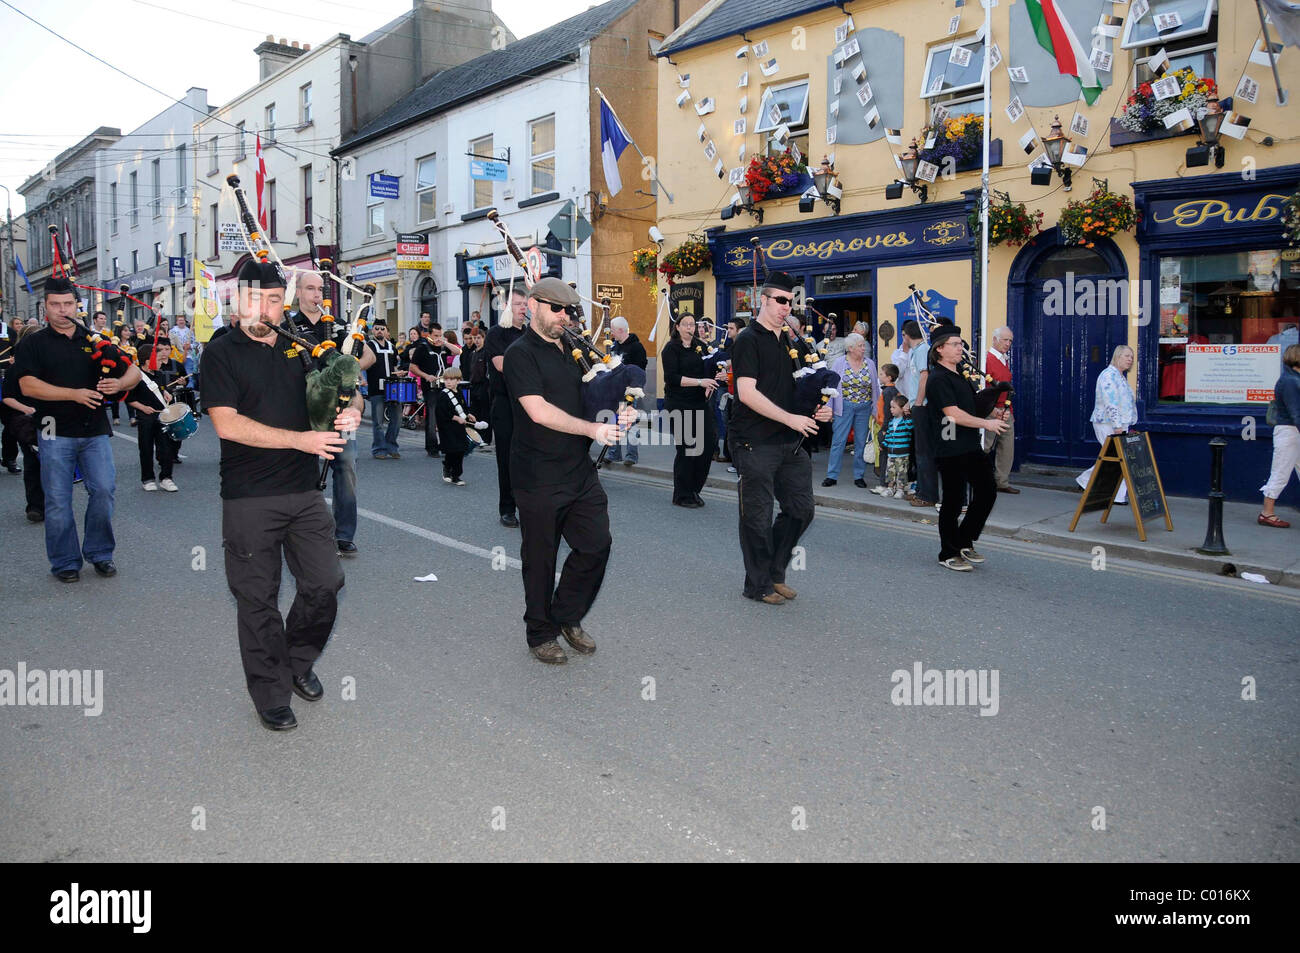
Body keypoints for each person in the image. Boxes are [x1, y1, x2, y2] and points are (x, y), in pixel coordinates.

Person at [199, 259, 359, 732]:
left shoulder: (302, 345)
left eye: (274, 299)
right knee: (257, 599)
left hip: (304, 492)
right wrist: (301, 440)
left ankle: (296, 661)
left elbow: (348, 387)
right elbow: (227, 424)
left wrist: (350, 411)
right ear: (237, 299)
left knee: (325, 584)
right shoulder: (221, 353)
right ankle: (270, 691)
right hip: (249, 497)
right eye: (256, 298)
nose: (266, 309)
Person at [502, 278, 632, 664]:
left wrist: (620, 410)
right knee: (541, 557)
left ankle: (567, 615)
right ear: (532, 306)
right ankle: (540, 632)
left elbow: (600, 393)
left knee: (596, 544)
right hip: (536, 474)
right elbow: (538, 411)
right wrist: (593, 429)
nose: (565, 316)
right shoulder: (519, 354)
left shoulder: (577, 347)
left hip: (578, 470)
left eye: (569, 311)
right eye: (557, 309)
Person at [13, 276, 142, 582]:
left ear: (77, 304)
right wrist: (73, 394)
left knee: (104, 491)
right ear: (45, 307)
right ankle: (65, 562)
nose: (62, 310)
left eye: (68, 303)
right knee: (57, 499)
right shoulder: (34, 343)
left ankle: (99, 553)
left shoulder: (95, 340)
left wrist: (119, 383)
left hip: (94, 429)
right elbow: (27, 385)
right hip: (51, 428)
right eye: (55, 305)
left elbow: (135, 370)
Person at [730, 272, 831, 605]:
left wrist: (819, 410)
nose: (787, 308)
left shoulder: (791, 340)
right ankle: (757, 584)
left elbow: (803, 388)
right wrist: (791, 418)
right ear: (764, 299)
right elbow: (746, 392)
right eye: (781, 301)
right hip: (755, 441)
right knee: (756, 517)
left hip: (790, 441)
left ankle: (774, 572)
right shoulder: (748, 339)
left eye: (791, 302)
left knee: (802, 510)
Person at [291, 270, 374, 557]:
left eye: (319, 290)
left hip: (343, 405)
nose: (316, 295)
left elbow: (369, 356)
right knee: (303, 470)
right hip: (304, 409)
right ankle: (304, 530)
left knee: (347, 468)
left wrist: (349, 371)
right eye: (310, 289)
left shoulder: (338, 326)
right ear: (298, 292)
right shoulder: (290, 326)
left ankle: (343, 536)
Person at [927, 325, 1008, 571]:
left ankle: (964, 539)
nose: (960, 347)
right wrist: (989, 423)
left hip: (968, 444)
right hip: (949, 445)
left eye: (960, 344)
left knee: (987, 490)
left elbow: (970, 405)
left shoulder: (960, 373)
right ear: (939, 349)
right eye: (954, 344)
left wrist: (994, 407)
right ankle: (947, 552)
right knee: (953, 500)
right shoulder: (937, 378)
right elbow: (952, 415)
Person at [660, 315, 722, 507]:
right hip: (678, 403)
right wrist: (699, 382)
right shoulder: (670, 348)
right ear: (677, 327)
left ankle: (694, 489)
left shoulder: (701, 347)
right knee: (687, 449)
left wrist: (715, 376)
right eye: (686, 324)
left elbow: (707, 371)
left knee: (708, 444)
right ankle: (682, 495)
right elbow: (672, 378)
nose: (690, 328)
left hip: (698, 402)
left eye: (692, 324)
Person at [485, 288, 528, 527]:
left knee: (528, 458)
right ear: (506, 307)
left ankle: (529, 505)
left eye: (525, 304)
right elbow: (502, 365)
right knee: (507, 458)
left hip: (529, 404)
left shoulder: (531, 333)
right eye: (518, 304)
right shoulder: (496, 334)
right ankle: (507, 508)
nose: (523, 308)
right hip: (504, 404)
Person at [1076, 345, 1138, 503]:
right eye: (1126, 356)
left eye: (1131, 356)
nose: (1130, 359)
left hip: (1120, 424)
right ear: (1117, 357)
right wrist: (1118, 426)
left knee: (1113, 456)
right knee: (1119, 457)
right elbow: (1111, 402)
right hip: (1107, 423)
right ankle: (1117, 495)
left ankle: (1086, 481)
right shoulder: (1108, 376)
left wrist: (1128, 423)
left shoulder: (1120, 376)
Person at [824, 332, 881, 489]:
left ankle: (859, 476)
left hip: (864, 407)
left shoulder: (870, 363)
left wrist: (876, 409)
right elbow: (832, 386)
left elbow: (875, 388)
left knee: (860, 442)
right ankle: (832, 475)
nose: (864, 348)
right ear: (850, 348)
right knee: (838, 441)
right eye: (860, 346)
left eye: (864, 345)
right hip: (844, 406)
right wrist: (829, 408)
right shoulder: (839, 363)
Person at [1, 326, 43, 520]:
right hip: (25, 422)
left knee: (52, 461)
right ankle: (35, 506)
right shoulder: (16, 368)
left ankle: (54, 502)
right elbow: (7, 397)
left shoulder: (49, 364)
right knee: (32, 461)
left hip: (50, 421)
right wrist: (26, 409)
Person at [129, 341, 180, 492]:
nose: (161, 362)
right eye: (158, 359)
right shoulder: (136, 376)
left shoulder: (159, 374)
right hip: (146, 417)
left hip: (162, 416)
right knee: (146, 448)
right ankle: (148, 479)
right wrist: (143, 408)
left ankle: (166, 478)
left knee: (166, 448)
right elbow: (130, 399)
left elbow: (163, 391)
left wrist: (166, 394)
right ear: (147, 361)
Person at [1258, 343, 1300, 528]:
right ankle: (1267, 513)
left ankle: (1267, 512)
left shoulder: (1292, 378)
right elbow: (1295, 412)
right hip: (1290, 431)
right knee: (1281, 472)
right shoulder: (1290, 381)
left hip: (1292, 430)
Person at [406, 323, 458, 458]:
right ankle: (432, 447)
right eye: (435, 335)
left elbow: (458, 351)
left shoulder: (443, 347)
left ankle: (446, 445)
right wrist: (425, 376)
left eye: (440, 335)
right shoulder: (422, 348)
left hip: (445, 385)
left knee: (447, 415)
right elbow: (412, 367)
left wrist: (445, 342)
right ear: (428, 335)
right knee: (432, 417)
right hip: (430, 387)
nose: (438, 338)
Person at [901, 320, 937, 507]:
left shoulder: (922, 350)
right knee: (919, 451)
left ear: (905, 334)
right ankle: (922, 490)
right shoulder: (916, 351)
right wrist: (910, 401)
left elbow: (924, 376)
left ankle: (927, 495)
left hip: (923, 406)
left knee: (924, 452)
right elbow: (916, 381)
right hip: (917, 403)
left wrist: (918, 403)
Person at [605, 316, 648, 467]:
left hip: (629, 391)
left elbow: (640, 371)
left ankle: (631, 456)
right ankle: (613, 453)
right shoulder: (614, 347)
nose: (611, 334)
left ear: (621, 330)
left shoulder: (637, 348)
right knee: (613, 421)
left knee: (629, 423)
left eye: (613, 331)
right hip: (614, 390)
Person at [364, 319, 404, 459]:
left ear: (386, 331)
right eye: (377, 328)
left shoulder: (392, 347)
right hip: (376, 388)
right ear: (373, 330)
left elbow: (394, 366)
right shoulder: (368, 346)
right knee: (378, 422)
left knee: (397, 419)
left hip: (392, 387)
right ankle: (379, 449)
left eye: (382, 328)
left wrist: (398, 372)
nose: (379, 331)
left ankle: (391, 446)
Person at [986, 326, 1018, 493]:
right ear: (995, 339)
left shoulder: (1004, 359)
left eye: (1010, 340)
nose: (1008, 343)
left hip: (1006, 409)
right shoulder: (987, 359)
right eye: (1005, 340)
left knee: (1006, 447)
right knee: (985, 445)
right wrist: (990, 410)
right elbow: (982, 387)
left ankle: (1001, 482)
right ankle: (978, 479)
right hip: (991, 410)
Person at [434, 366, 477, 485]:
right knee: (452, 450)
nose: (448, 382)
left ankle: (456, 475)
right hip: (447, 427)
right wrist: (455, 417)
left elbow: (462, 407)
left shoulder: (459, 393)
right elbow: (441, 412)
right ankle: (448, 468)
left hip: (459, 427)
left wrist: (468, 414)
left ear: (458, 380)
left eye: (452, 379)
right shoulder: (443, 395)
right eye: (446, 379)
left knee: (460, 450)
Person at [874, 395, 915, 498]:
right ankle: (890, 488)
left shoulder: (906, 421)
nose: (891, 409)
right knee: (890, 472)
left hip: (903, 453)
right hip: (891, 453)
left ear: (902, 409)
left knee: (901, 472)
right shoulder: (891, 422)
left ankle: (900, 489)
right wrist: (883, 445)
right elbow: (888, 436)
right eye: (890, 407)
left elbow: (911, 426)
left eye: (894, 407)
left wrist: (907, 413)